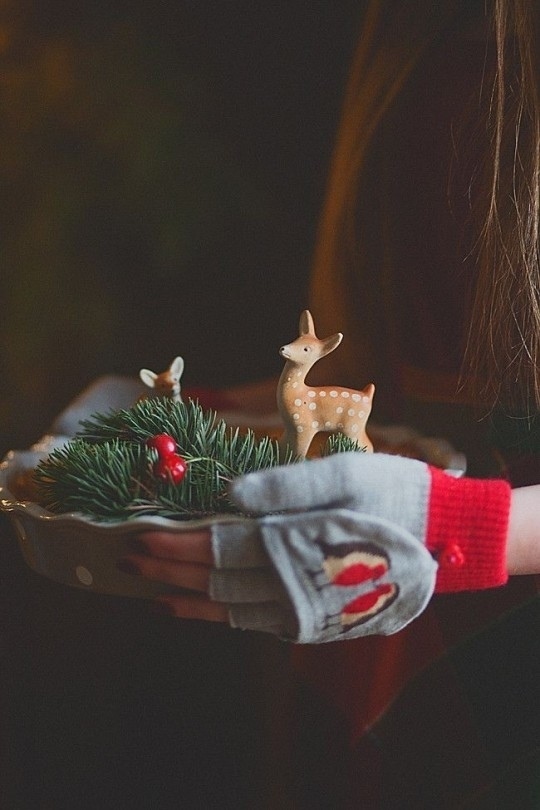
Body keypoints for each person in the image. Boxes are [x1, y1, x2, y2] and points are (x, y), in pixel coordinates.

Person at [118, 1, 540, 806]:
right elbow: (416, 377)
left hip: (502, 653)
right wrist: (195, 420)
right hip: (377, 619)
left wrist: (458, 529)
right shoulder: (417, 38)